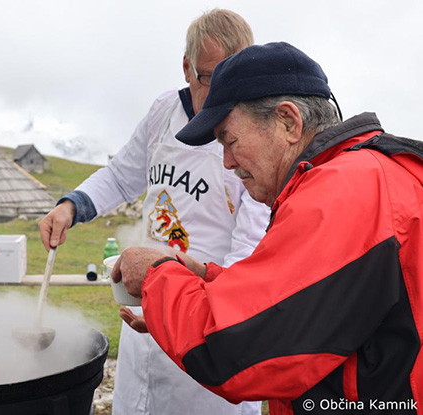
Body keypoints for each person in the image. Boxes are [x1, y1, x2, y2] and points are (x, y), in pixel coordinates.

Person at [113, 41, 423, 414]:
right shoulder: (368, 174)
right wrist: (207, 277)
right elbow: (300, 303)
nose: (227, 162)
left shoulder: (343, 191)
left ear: (288, 122)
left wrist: (156, 276)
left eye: (229, 140)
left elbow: (238, 349)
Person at [38, 9, 269, 415]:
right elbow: (120, 176)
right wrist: (72, 205)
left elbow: (248, 252)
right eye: (210, 78)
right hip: (143, 308)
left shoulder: (250, 136)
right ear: (186, 67)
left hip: (207, 326)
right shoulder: (164, 111)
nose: (222, 95)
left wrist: (194, 315)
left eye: (234, 81)